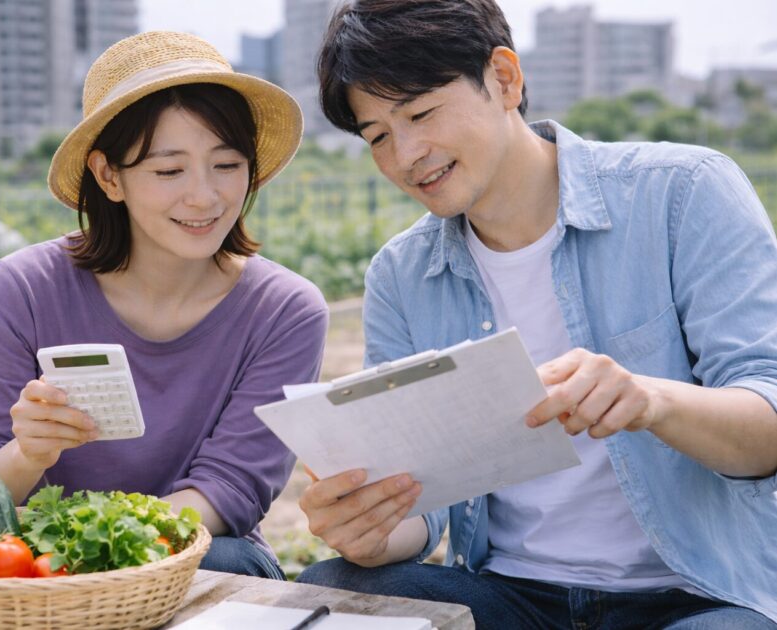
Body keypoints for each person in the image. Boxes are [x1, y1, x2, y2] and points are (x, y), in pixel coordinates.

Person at [294, 1, 777, 627]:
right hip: (513, 599)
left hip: (696, 596)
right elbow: (424, 505)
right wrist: (373, 528)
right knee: (329, 592)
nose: (407, 154)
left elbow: (768, 420)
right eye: (378, 136)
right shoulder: (401, 275)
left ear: (504, 78)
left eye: (419, 112)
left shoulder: (682, 194)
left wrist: (653, 401)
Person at [0, 31, 329, 580]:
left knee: (221, 559)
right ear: (108, 176)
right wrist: (28, 455)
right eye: (169, 170)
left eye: (227, 164)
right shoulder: (22, 289)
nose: (205, 196)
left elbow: (229, 492)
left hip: (201, 556)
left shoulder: (284, 310)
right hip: (40, 579)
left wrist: (90, 553)